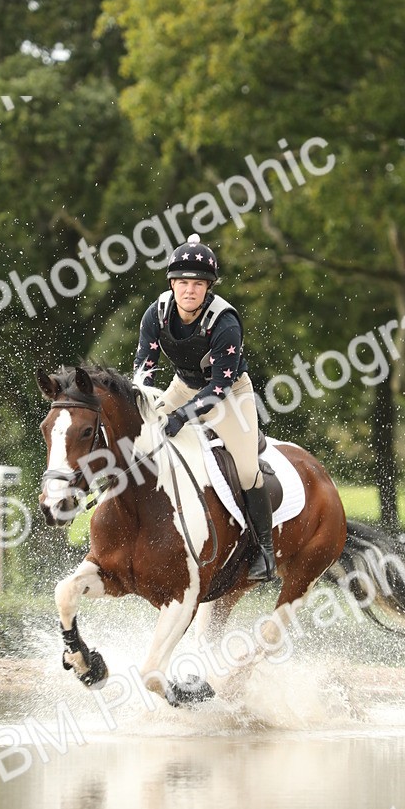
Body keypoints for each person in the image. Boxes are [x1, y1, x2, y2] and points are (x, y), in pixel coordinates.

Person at [133, 233, 276, 581]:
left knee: (245, 470)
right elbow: (144, 370)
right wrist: (144, 406)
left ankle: (265, 550)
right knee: (138, 440)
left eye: (198, 283)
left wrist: (181, 416)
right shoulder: (157, 313)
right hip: (183, 386)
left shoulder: (224, 321)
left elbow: (220, 385)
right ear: (172, 283)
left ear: (208, 287)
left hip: (229, 395)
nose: (189, 290)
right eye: (182, 282)